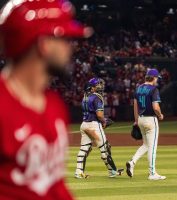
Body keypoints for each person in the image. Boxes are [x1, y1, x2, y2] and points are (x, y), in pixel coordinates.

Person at [0, 0, 92, 199]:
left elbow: (54, 185)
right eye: (64, 39)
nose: (70, 48)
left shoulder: (54, 106)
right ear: (44, 44)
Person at [75, 78, 124, 178]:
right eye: (97, 85)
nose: (100, 87)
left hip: (84, 124)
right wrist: (104, 121)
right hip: (94, 126)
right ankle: (112, 171)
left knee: (84, 149)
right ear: (92, 88)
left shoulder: (85, 96)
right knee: (104, 149)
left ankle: (78, 172)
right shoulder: (97, 97)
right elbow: (99, 114)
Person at [126, 69, 166, 180]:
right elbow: (156, 107)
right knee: (152, 147)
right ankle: (152, 173)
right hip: (151, 120)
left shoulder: (138, 88)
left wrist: (136, 121)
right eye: (157, 78)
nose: (157, 80)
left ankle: (132, 162)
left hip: (141, 119)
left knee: (146, 145)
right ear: (153, 78)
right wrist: (160, 115)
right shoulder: (154, 89)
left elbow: (135, 106)